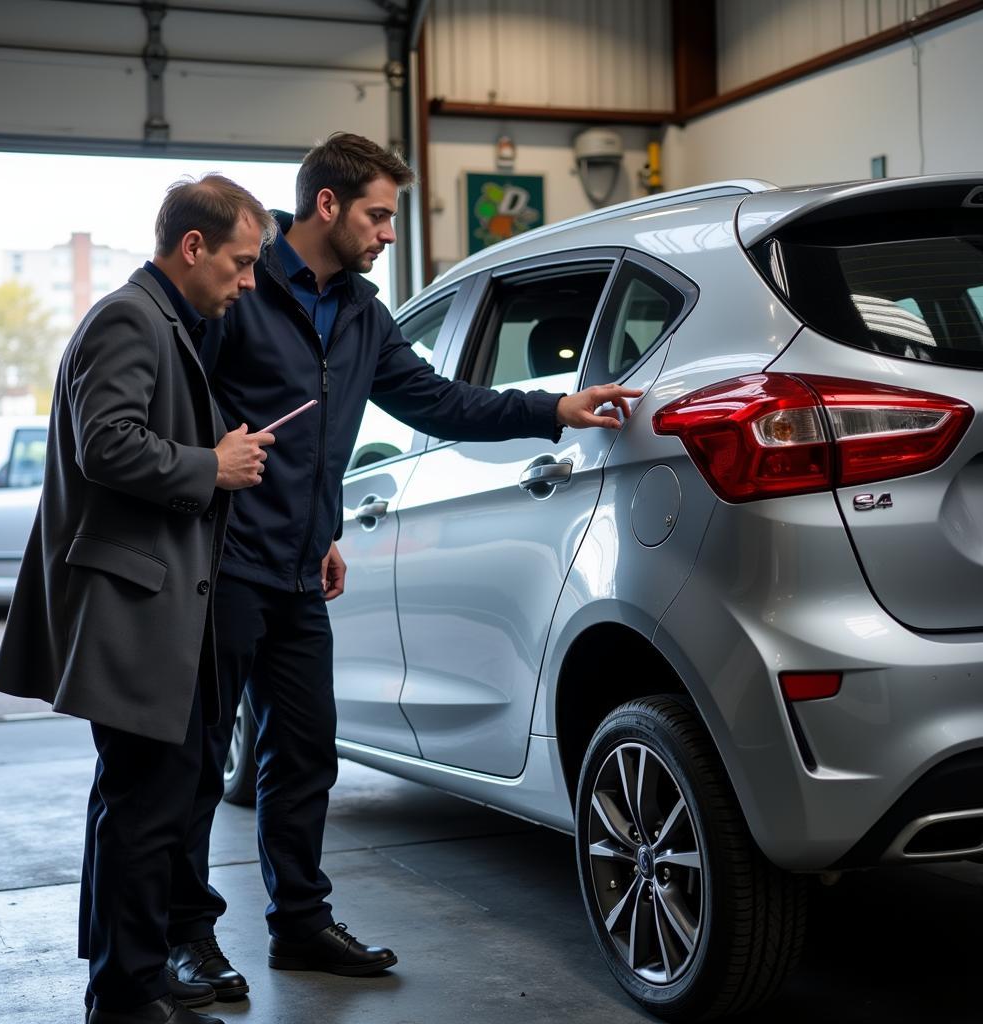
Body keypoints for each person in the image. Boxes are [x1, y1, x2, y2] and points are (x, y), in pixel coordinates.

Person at [164, 132, 642, 994]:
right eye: (378, 214)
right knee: (200, 760)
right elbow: (182, 404)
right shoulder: (239, 287)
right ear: (327, 205)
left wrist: (555, 406)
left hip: (301, 569)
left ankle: (300, 924)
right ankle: (185, 937)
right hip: (226, 562)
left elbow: (437, 400)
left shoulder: (360, 312)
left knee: (305, 752)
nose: (388, 232)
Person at [0, 175, 277, 1024]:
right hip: (132, 611)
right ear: (193, 247)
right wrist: (210, 467)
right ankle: (123, 996)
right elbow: (106, 443)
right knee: (145, 807)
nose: (248, 282)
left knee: (142, 804)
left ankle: (133, 974)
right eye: (241, 262)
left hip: (154, 608)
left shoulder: (160, 319)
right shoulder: (130, 318)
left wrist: (215, 455)